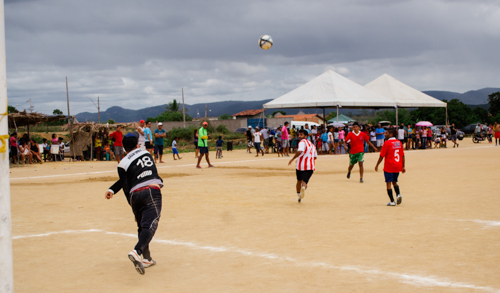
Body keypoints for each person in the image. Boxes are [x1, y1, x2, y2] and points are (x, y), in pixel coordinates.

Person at [105, 132, 164, 275]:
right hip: (151, 191)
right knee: (151, 224)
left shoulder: (122, 164)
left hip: (135, 195)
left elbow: (126, 186)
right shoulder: (146, 154)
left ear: (124, 148)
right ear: (137, 144)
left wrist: (112, 190)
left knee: (142, 226)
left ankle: (147, 258)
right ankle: (137, 251)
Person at [375, 128, 406, 206]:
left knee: (388, 184)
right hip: (397, 166)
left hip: (389, 167)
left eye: (386, 133)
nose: (385, 134)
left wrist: (377, 164)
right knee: (395, 182)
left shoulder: (387, 143)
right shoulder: (399, 142)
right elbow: (402, 155)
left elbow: (382, 156)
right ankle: (398, 194)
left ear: (391, 134)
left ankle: (392, 201)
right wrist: (403, 166)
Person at [288, 129, 317, 203]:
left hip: (300, 166)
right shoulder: (313, 145)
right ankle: (303, 188)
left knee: (298, 181)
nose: (299, 136)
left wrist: (292, 159)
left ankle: (298, 196)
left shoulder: (302, 142)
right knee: (304, 182)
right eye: (299, 135)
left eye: (301, 135)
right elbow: (315, 157)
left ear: (306, 136)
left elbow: (300, 151)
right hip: (310, 166)